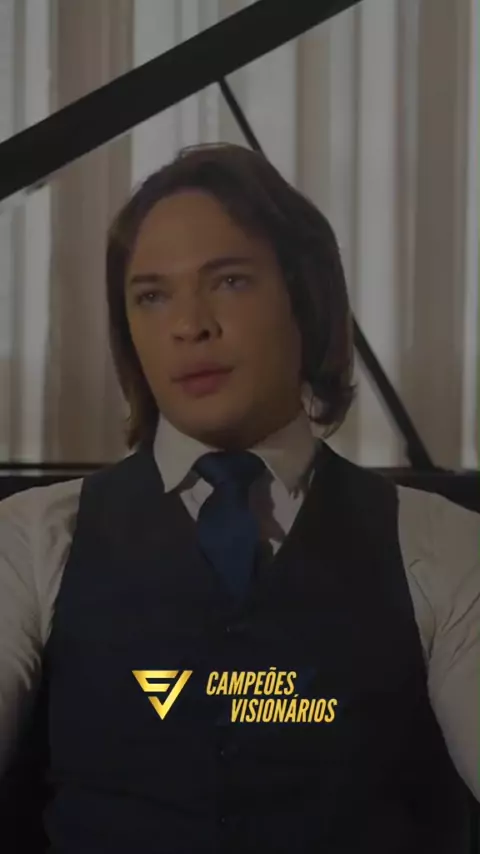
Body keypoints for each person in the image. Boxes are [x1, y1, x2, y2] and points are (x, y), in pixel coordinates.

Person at [0, 142, 478, 854]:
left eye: (228, 281)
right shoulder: (30, 539)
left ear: (304, 299)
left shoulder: (442, 546)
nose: (189, 324)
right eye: (152, 295)